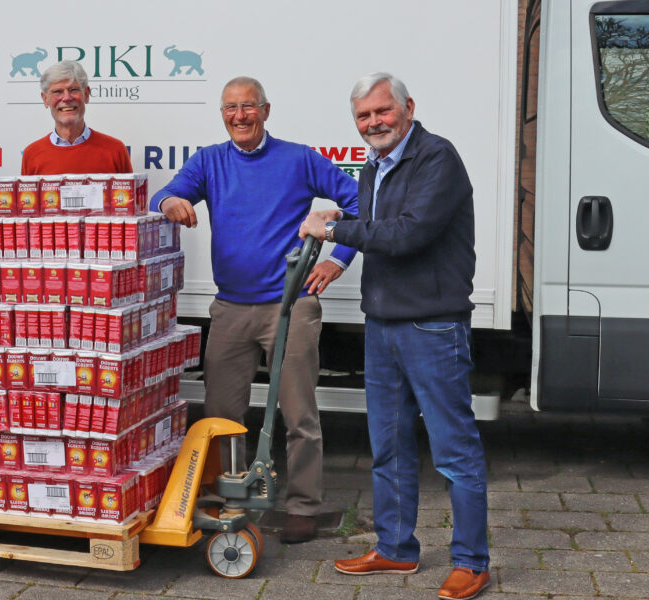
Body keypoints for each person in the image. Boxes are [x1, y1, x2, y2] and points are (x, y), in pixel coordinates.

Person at [299, 73, 489, 600]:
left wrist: (333, 230)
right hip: (381, 323)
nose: (373, 123)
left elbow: (409, 234)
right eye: (363, 116)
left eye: (382, 112)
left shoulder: (436, 158)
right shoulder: (374, 165)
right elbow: (374, 223)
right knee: (388, 446)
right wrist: (343, 224)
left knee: (454, 451)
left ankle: (472, 561)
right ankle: (397, 550)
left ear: (407, 107)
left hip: (432, 324)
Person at [151, 76, 359, 544]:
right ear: (222, 114)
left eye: (248, 107)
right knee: (222, 414)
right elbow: (161, 195)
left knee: (299, 413)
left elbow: (358, 201)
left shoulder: (299, 158)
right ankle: (234, 499)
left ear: (266, 111)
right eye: (230, 108)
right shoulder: (209, 161)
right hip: (230, 309)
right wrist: (173, 200)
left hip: (291, 306)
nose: (239, 116)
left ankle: (304, 506)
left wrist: (337, 259)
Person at [20, 60, 132, 175]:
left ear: (86, 94)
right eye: (58, 92)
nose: (67, 98)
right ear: (45, 99)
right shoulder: (32, 154)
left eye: (73, 90)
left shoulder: (115, 150)